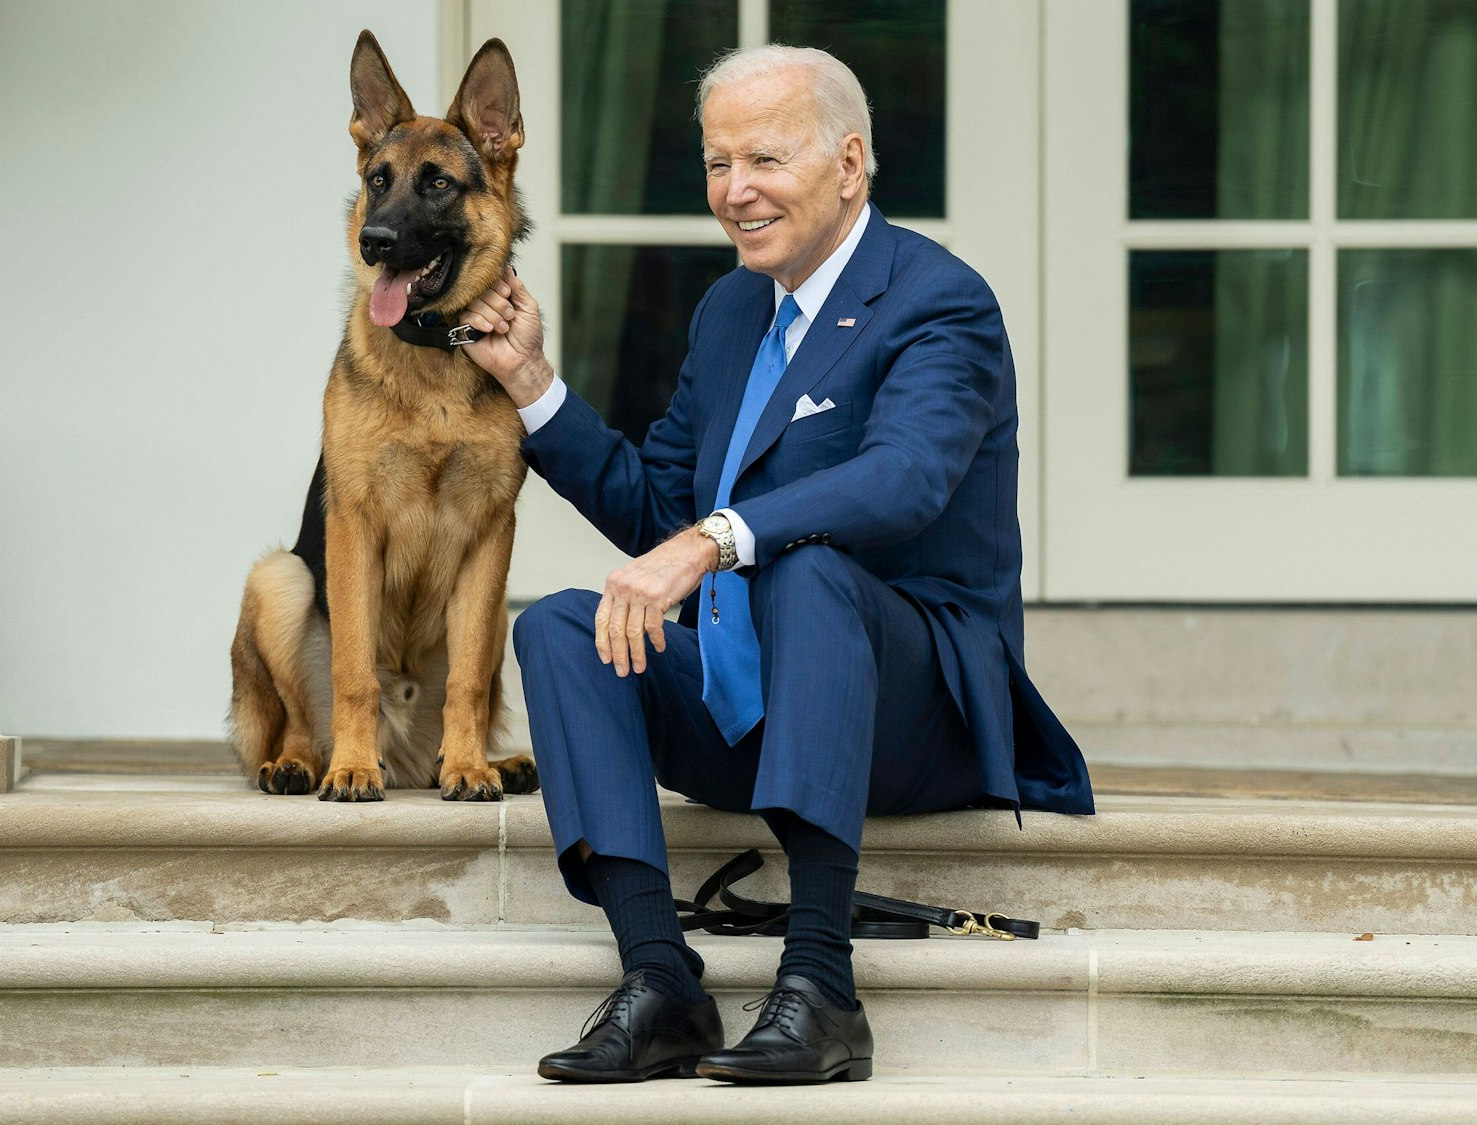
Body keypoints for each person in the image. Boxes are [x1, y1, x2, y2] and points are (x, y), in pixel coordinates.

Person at [458, 44, 1093, 1086]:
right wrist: (532, 386)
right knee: (560, 627)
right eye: (715, 163)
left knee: (804, 569)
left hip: (911, 707)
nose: (734, 191)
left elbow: (902, 482)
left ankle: (819, 983)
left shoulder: (939, 303)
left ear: (849, 164)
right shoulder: (727, 312)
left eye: (764, 158)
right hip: (749, 701)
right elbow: (661, 510)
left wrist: (712, 542)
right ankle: (658, 980)